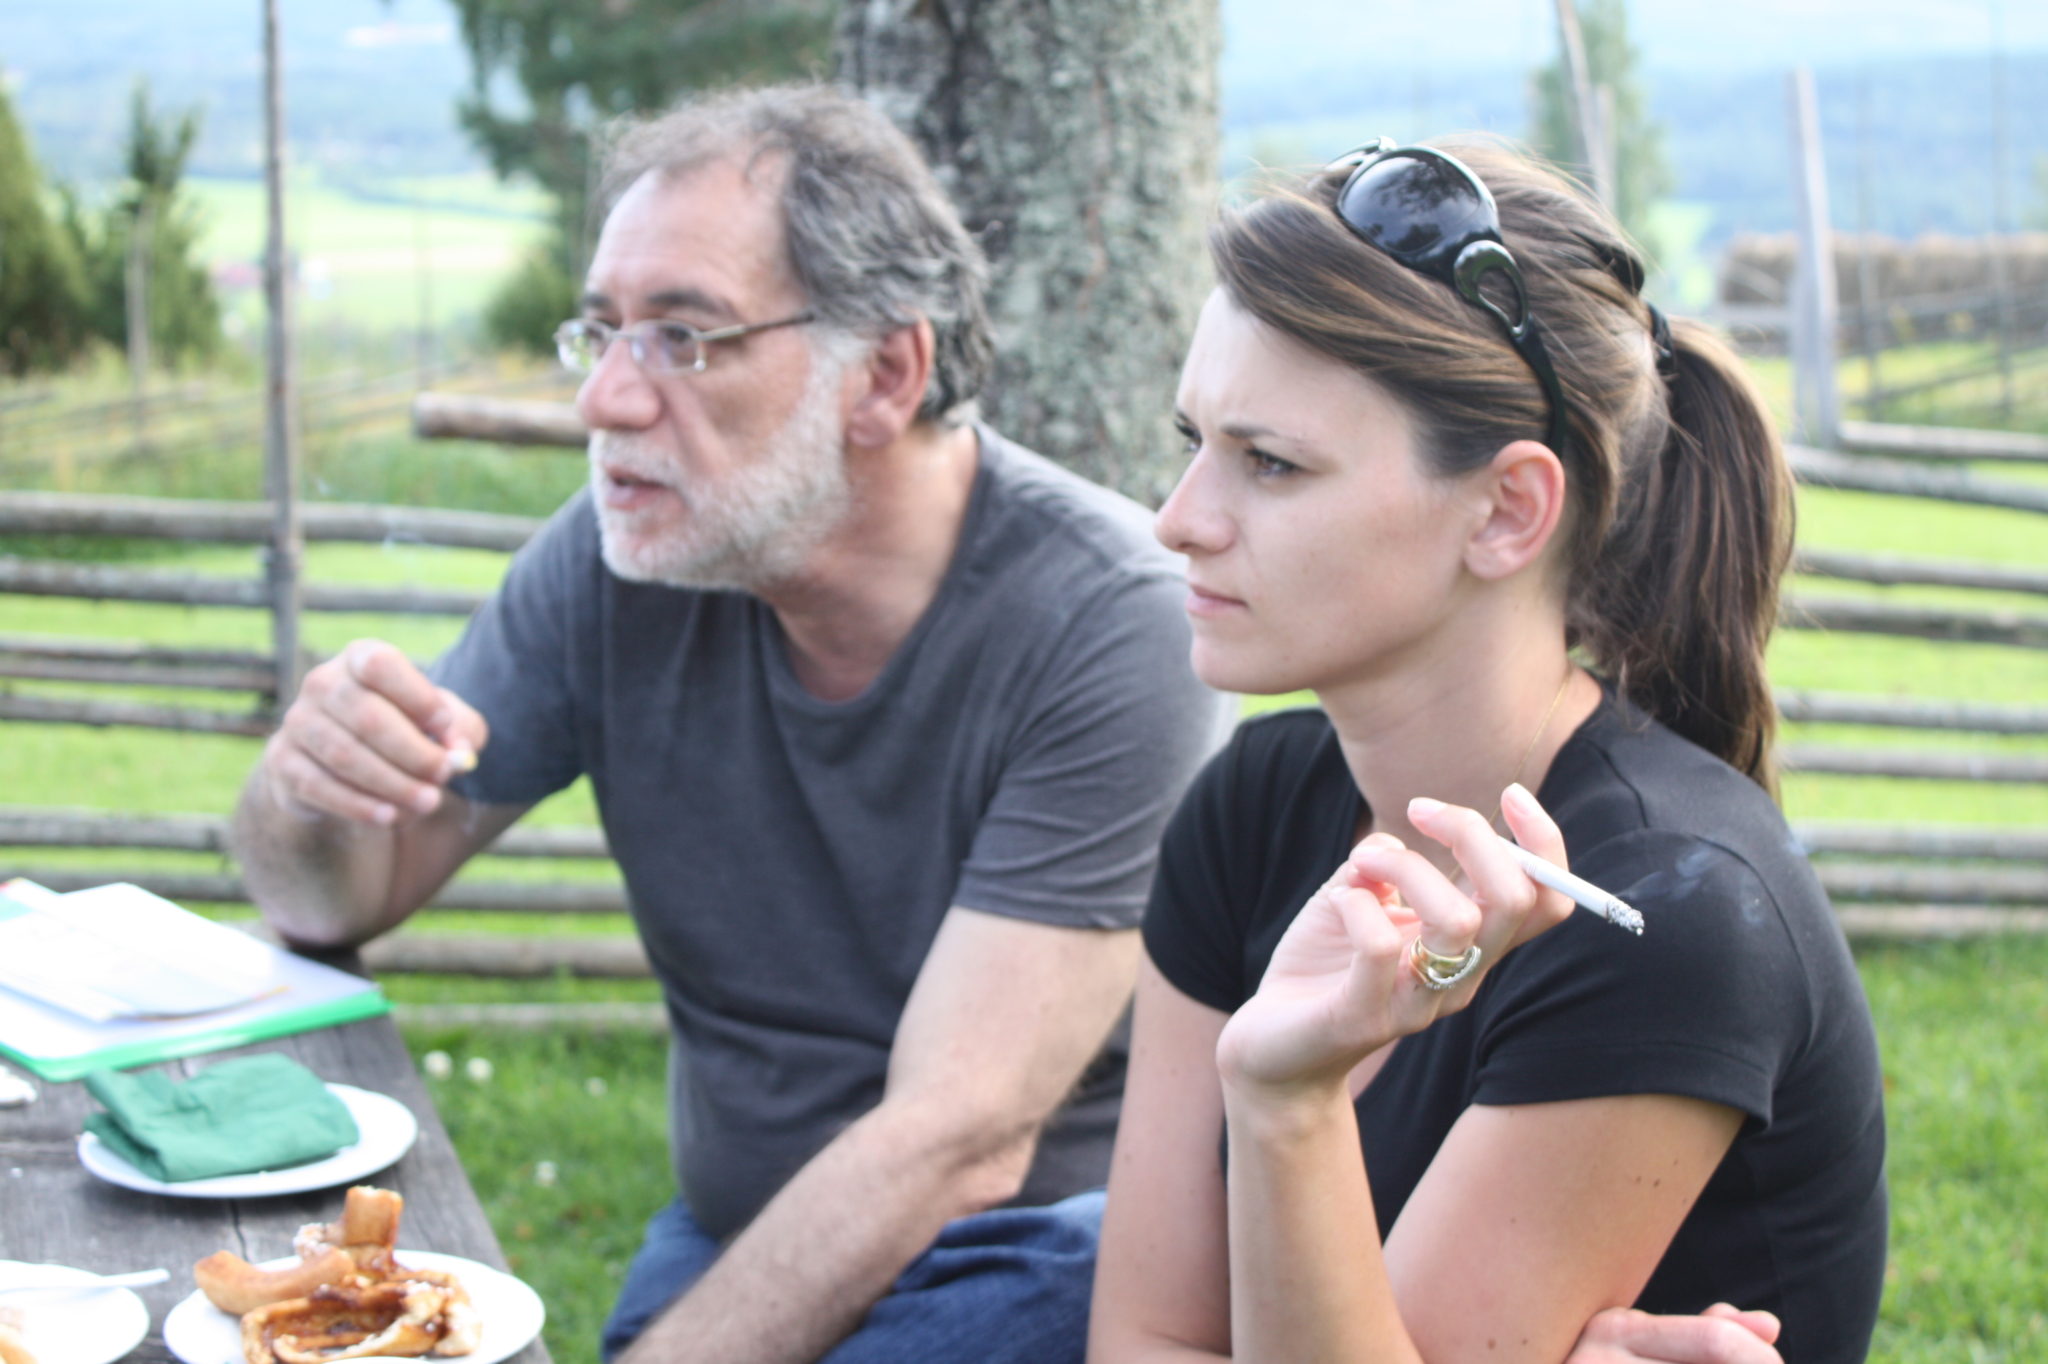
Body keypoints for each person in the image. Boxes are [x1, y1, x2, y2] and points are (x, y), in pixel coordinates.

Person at [233, 84, 1229, 1364]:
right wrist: (307, 791)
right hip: (734, 1235)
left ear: (885, 373)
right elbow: (337, 898)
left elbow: (960, 1138)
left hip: (1039, 1262)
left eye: (681, 337)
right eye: (601, 332)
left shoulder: (1107, 622)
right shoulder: (624, 562)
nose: (604, 399)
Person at [1088, 137, 1887, 1364]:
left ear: (1507, 510)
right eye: (1191, 440)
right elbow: (1141, 1337)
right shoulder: (1252, 807)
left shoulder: (1659, 913)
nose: (1177, 519)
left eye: (1269, 462)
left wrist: (1285, 1098)